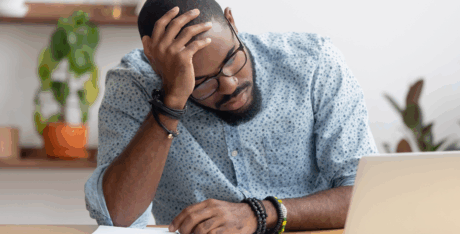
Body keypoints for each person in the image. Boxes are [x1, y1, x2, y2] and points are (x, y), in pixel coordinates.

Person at [84, 0, 378, 233]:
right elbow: (118, 217)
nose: (230, 85)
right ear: (154, 63)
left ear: (232, 23)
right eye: (201, 81)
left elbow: (367, 195)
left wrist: (263, 214)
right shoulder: (134, 84)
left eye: (232, 59)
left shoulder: (314, 64)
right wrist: (172, 100)